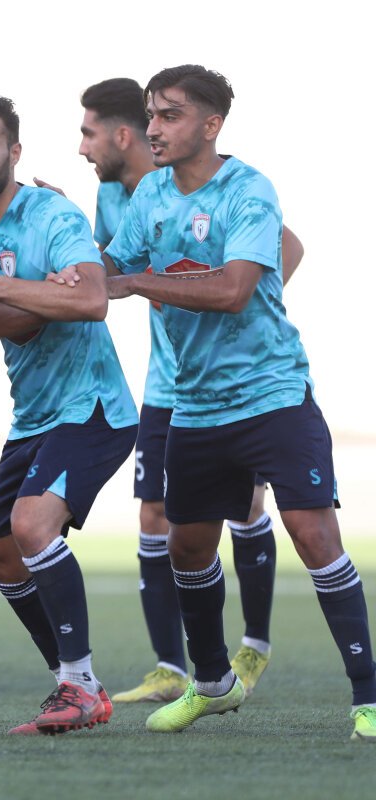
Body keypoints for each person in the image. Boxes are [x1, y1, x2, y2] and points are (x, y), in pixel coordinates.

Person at [101, 65, 375, 740]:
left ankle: (369, 698)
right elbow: (108, 269)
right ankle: (214, 684)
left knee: (313, 534)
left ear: (211, 125)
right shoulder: (149, 193)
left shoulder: (249, 190)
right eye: (150, 115)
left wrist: (138, 282)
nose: (153, 128)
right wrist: (65, 254)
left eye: (169, 115)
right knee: (187, 547)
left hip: (272, 396)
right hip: (194, 406)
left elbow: (233, 290)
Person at [66, 77, 304, 704]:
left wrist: (241, 313)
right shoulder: (117, 198)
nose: (83, 149)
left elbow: (287, 247)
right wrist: (65, 237)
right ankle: (172, 667)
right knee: (156, 515)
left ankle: (254, 645)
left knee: (243, 508)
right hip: (165, 382)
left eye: (89, 134)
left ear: (122, 135)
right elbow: (110, 268)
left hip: (232, 386)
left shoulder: (205, 180)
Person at [0, 92, 138, 734]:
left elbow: (91, 299)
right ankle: (76, 683)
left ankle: (78, 686)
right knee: (4, 559)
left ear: (13, 151)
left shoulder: (51, 213)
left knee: (32, 523)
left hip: (94, 405)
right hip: (34, 415)